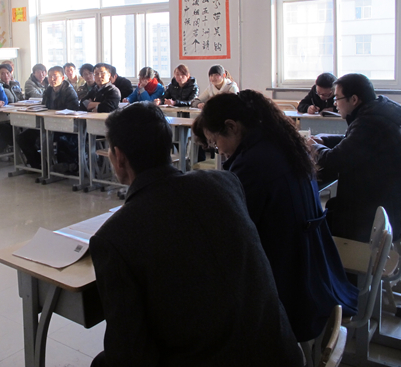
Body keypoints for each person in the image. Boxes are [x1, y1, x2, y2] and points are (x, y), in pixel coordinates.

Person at [90, 102, 302, 367]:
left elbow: (129, 353)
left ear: (119, 157)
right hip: (281, 352)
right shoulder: (225, 183)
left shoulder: (114, 236)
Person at [193, 90, 358, 341]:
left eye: (215, 143)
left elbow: (237, 229)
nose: (219, 151)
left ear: (232, 126)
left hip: (291, 284)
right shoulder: (280, 143)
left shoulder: (254, 163)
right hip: (313, 266)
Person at [310, 73, 401, 242]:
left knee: (319, 221)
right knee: (330, 209)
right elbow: (353, 142)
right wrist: (324, 140)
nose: (335, 103)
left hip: (378, 216)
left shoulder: (369, 123)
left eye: (337, 98)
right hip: (389, 203)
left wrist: (313, 146)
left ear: (354, 99)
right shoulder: (378, 114)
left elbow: (334, 161)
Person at [17, 66, 79, 171]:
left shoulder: (69, 91)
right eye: (50, 76)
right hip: (47, 125)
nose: (52, 79)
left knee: (62, 139)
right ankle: (39, 165)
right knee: (23, 138)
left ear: (62, 78)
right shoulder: (48, 90)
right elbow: (44, 106)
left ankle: (67, 166)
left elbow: (72, 111)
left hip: (64, 126)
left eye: (55, 76)